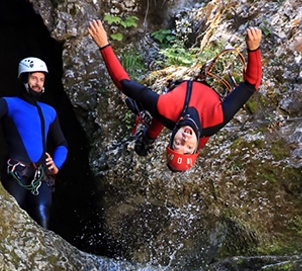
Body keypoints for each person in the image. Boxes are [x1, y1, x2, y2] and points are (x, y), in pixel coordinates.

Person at [86, 19, 262, 172]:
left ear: (171, 139)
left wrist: (104, 45)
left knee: (160, 112)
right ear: (195, 146)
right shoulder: (216, 118)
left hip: (175, 104)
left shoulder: (166, 107)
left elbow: (124, 84)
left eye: (178, 144)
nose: (185, 139)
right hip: (203, 119)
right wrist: (254, 49)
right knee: (167, 116)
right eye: (188, 147)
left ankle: (148, 137)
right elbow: (251, 84)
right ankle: (150, 136)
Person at [0, 57, 68, 229]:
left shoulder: (49, 111)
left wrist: (57, 165)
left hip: (42, 175)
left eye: (41, 80)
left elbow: (62, 143)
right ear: (24, 78)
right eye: (34, 78)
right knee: (12, 212)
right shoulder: (9, 103)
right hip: (17, 170)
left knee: (42, 214)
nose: (38, 83)